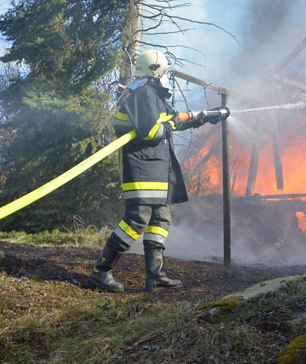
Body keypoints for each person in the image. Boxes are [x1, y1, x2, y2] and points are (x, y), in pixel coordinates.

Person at [89, 50, 226, 292]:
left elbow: (173, 119)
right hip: (141, 167)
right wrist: (171, 123)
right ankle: (101, 271)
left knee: (161, 219)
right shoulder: (143, 92)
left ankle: (155, 276)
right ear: (157, 72)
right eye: (165, 70)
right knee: (137, 217)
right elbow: (150, 131)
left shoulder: (155, 95)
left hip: (158, 167)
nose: (167, 75)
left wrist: (203, 117)